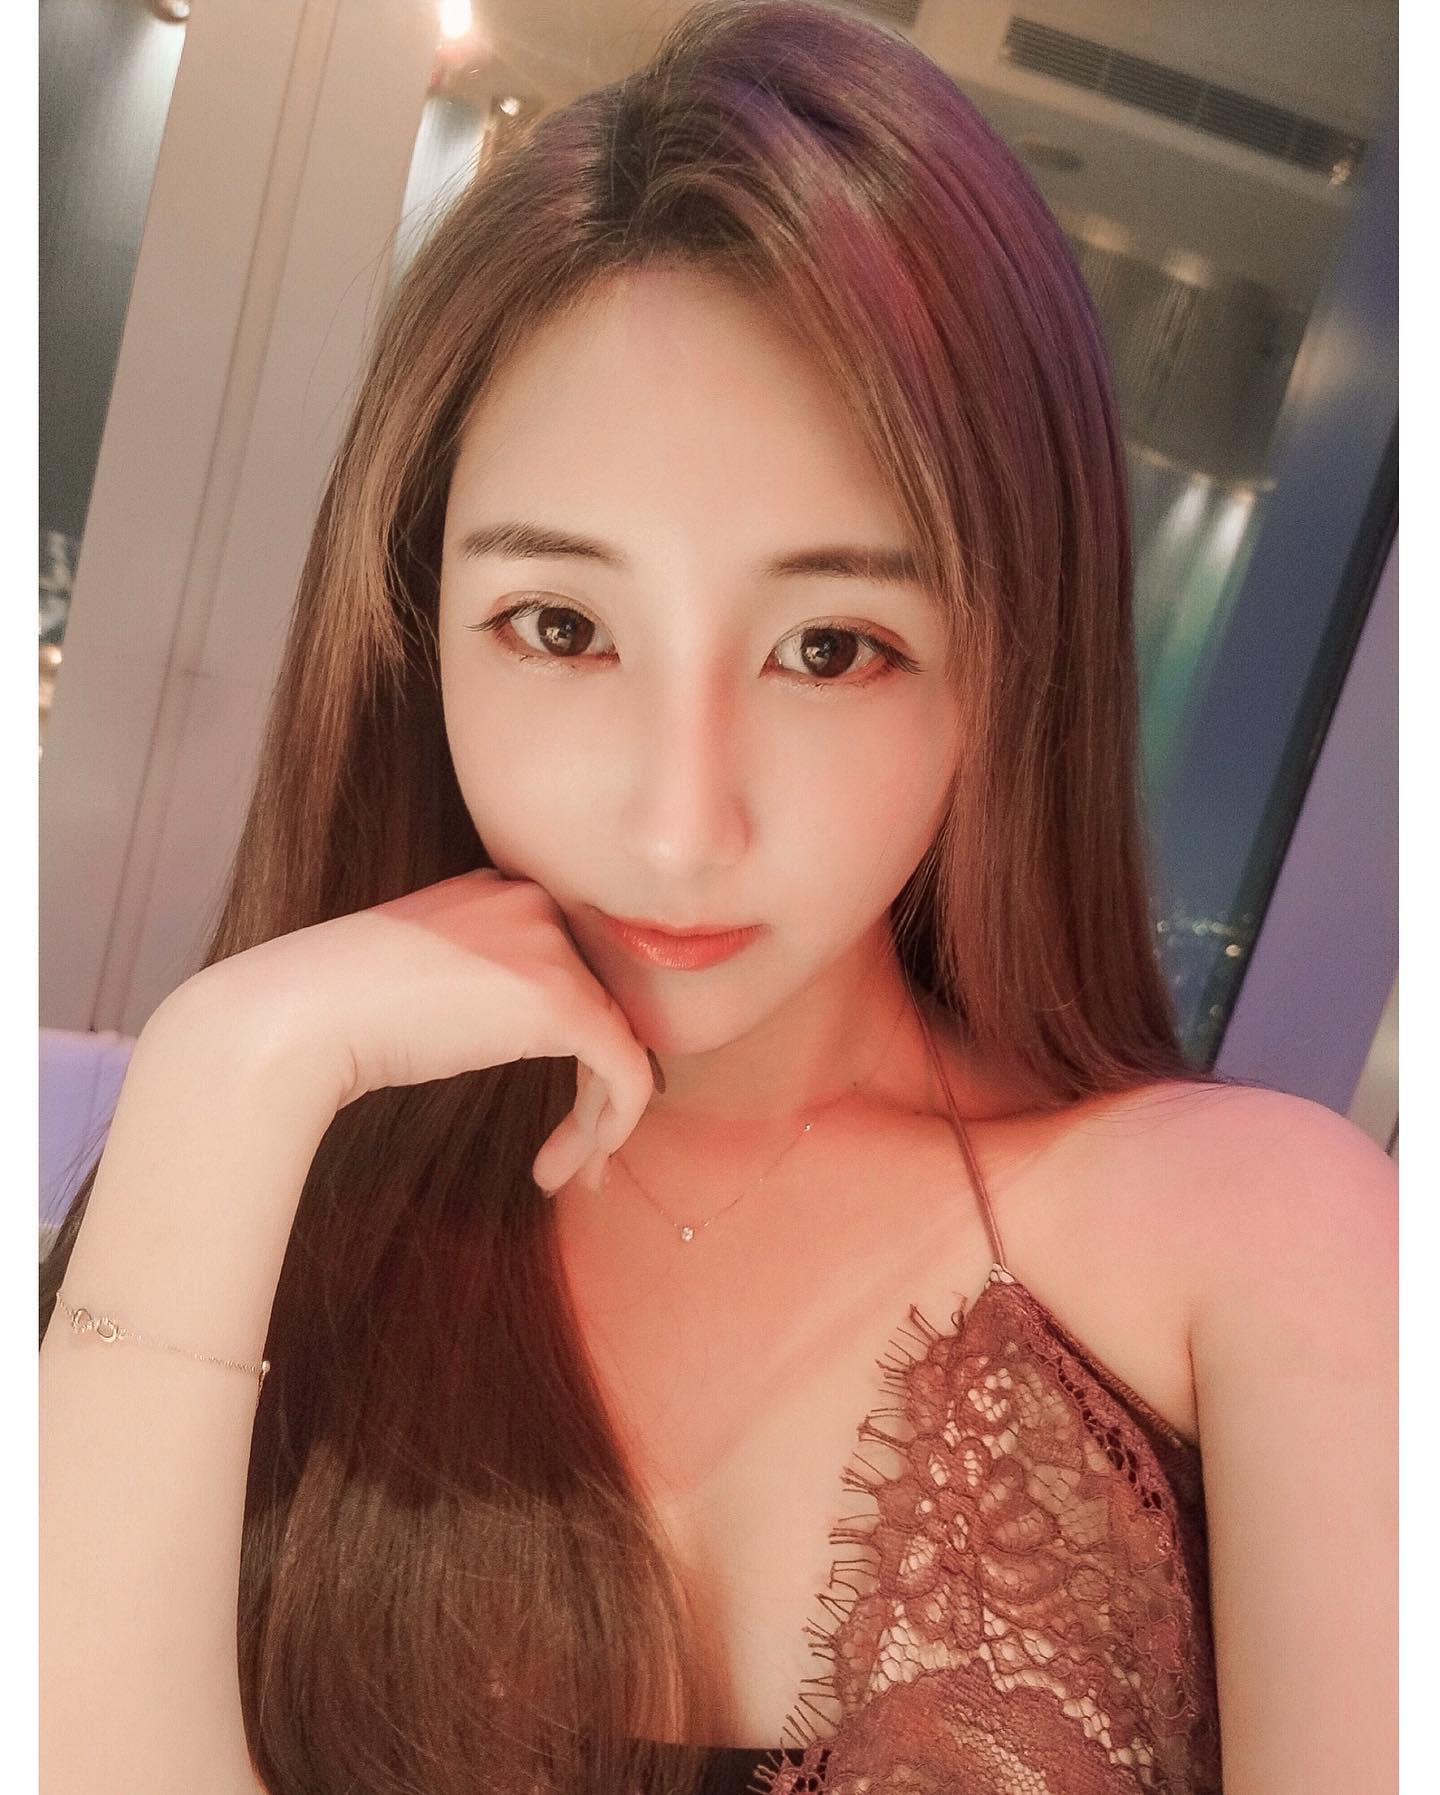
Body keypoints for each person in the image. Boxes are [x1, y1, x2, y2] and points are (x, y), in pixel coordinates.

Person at [38, 3, 1397, 1792]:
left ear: (1012, 667)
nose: (681, 826)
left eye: (831, 648)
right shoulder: (284, 1193)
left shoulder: (1263, 1241)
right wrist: (220, 1077)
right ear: (416, 631)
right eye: (561, 627)